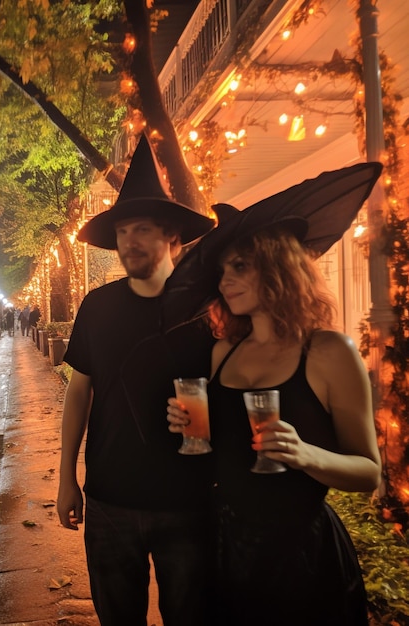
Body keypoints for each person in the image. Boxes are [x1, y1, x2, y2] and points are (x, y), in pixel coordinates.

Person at [167, 213, 382, 625]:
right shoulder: (223, 350)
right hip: (224, 547)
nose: (225, 280)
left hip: (301, 555)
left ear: (279, 267)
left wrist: (305, 455)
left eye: (240, 266)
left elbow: (368, 471)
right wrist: (191, 427)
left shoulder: (328, 352)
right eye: (222, 270)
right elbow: (220, 455)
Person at [57, 134, 217, 626]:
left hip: (187, 501)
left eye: (142, 229)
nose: (129, 241)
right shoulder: (98, 307)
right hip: (109, 499)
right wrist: (67, 478)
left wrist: (207, 421)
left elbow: (234, 389)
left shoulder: (205, 310)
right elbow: (79, 391)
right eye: (123, 231)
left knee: (190, 617)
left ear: (171, 237)